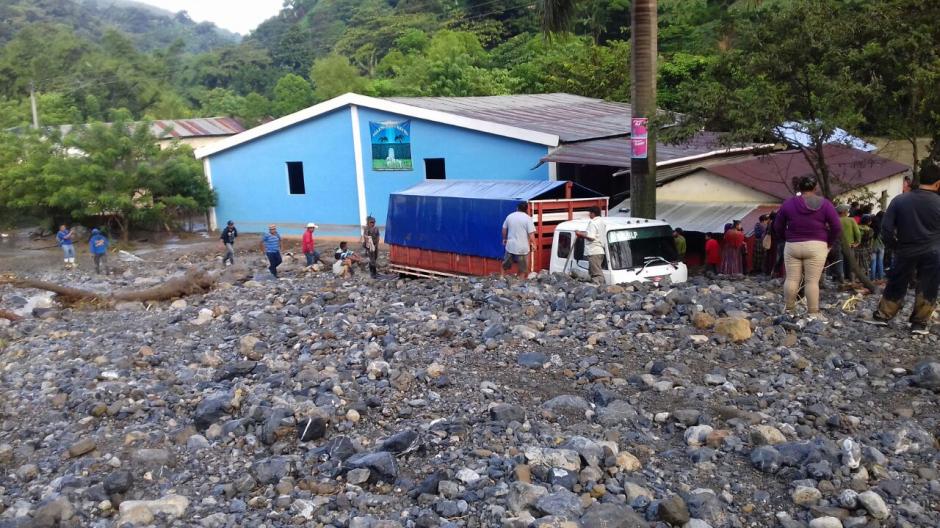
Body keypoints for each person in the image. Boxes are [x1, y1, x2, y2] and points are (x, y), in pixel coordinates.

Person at [870, 163, 940, 335]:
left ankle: (884, 316)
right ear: (938, 183)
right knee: (928, 286)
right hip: (933, 251)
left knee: (897, 282)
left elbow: (886, 228)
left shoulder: (900, 200)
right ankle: (919, 323)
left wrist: (894, 246)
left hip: (905, 249)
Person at [772, 176, 842, 320]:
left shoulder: (788, 204)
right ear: (815, 187)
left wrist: (786, 238)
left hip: (793, 245)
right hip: (817, 246)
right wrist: (829, 242)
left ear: (799, 187)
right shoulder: (826, 204)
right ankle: (813, 313)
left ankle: (789, 310)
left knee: (791, 279)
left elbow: (777, 225)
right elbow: (836, 226)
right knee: (812, 281)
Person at [501, 202, 536, 279]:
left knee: (506, 264)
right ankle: (520, 281)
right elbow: (531, 234)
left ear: (517, 208)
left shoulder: (510, 216)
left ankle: (502, 277)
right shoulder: (528, 218)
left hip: (510, 245)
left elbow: (504, 229)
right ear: (526, 209)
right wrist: (534, 244)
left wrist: (504, 239)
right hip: (522, 247)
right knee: (523, 266)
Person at [576, 206, 606, 282]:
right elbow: (594, 234)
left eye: (590, 213)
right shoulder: (602, 222)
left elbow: (591, 237)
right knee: (592, 271)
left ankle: (601, 288)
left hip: (594, 251)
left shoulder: (593, 223)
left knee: (596, 273)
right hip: (600, 250)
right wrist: (582, 233)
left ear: (593, 213)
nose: (589, 215)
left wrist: (579, 233)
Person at [837, 204, 862, 282]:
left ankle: (841, 279)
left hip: (838, 245)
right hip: (849, 245)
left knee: (840, 262)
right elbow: (857, 232)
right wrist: (857, 242)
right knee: (851, 262)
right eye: (847, 211)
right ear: (844, 212)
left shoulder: (835, 220)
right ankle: (852, 279)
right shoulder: (851, 220)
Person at [870, 211, 885, 280]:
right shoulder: (884, 226)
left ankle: (872, 278)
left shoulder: (872, 226)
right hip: (881, 246)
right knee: (880, 262)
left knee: (873, 263)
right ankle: (880, 278)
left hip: (873, 246)